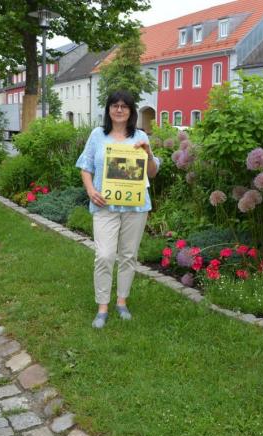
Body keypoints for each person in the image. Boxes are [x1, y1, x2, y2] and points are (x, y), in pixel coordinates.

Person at [76, 90, 159, 328]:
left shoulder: (141, 137)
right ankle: (102, 306)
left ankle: (121, 302)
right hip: (105, 205)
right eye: (115, 105)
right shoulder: (97, 135)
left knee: (128, 256)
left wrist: (149, 154)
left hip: (136, 206)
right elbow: (85, 166)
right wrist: (91, 191)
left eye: (125, 106)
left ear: (131, 111)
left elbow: (151, 172)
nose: (119, 109)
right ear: (109, 109)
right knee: (104, 256)